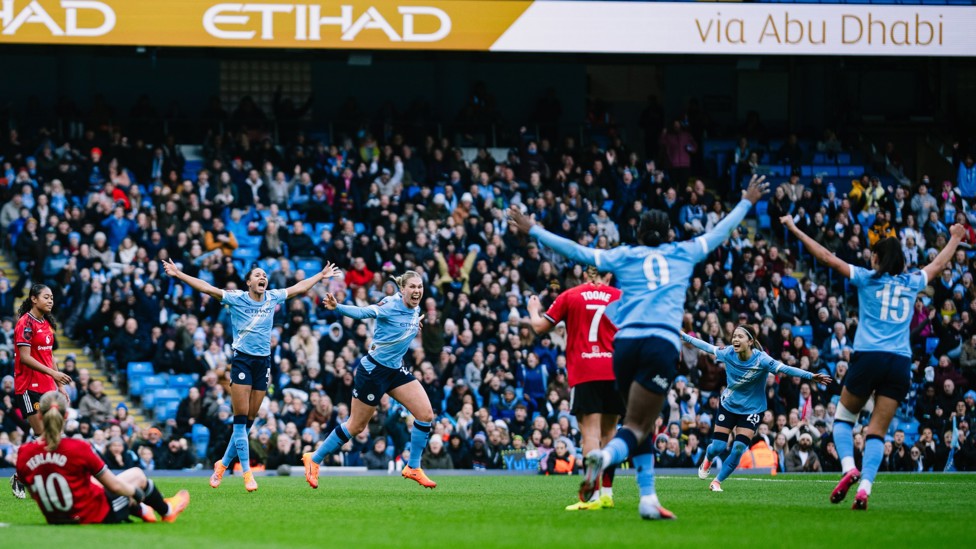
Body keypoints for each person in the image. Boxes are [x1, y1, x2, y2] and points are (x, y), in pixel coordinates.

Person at [508, 174, 769, 520]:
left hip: (625, 346)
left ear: (638, 232)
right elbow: (720, 232)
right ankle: (603, 459)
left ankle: (647, 498)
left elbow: (575, 250)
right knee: (638, 425)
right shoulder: (683, 251)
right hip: (659, 343)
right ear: (669, 234)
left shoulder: (623, 255)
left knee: (638, 422)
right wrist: (747, 201)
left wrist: (534, 229)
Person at [781, 214, 965, 510]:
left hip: (868, 356)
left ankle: (848, 469)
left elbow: (827, 257)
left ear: (877, 258)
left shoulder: (867, 278)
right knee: (877, 431)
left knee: (843, 420)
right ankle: (864, 488)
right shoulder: (912, 281)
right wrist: (955, 237)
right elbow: (939, 265)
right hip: (900, 362)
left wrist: (793, 228)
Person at [162, 258, 341, 492]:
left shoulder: (273, 297)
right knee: (239, 422)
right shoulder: (236, 298)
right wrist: (179, 274)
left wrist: (320, 275)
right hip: (242, 362)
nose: (262, 277)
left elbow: (299, 287)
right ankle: (246, 473)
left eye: (264, 275)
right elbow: (206, 288)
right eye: (257, 275)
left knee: (246, 425)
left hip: (263, 363)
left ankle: (222, 465)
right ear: (248, 282)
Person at [302, 271, 437, 490]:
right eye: (412, 287)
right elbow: (364, 312)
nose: (417, 291)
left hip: (395, 370)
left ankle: (413, 467)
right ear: (402, 290)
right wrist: (338, 307)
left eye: (420, 287)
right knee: (356, 426)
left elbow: (404, 326)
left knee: (425, 415)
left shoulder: (415, 309)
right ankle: (314, 458)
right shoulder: (390, 306)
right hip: (373, 371)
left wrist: (414, 326)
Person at [681, 327, 831, 491]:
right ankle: (708, 459)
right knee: (718, 447)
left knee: (738, 448)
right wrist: (684, 337)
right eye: (734, 336)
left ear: (750, 341)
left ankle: (717, 481)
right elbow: (706, 347)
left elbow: (785, 369)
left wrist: (810, 376)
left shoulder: (762, 360)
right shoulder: (728, 352)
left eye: (740, 336)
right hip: (729, 406)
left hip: (751, 410)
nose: (735, 339)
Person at [526, 265, 625, 511]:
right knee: (610, 434)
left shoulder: (570, 295)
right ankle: (608, 494)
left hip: (586, 371)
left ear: (584, 275)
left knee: (590, 435)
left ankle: (591, 498)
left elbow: (539, 327)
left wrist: (532, 309)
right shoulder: (620, 297)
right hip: (615, 370)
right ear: (609, 275)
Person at [16, 390, 190, 524]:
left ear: (39, 415)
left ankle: (144, 511)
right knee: (137, 476)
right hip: (91, 515)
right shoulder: (78, 447)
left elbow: (34, 492)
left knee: (95, 482)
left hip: (55, 517)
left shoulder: (24, 452)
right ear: (66, 416)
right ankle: (166, 511)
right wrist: (137, 494)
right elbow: (114, 486)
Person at [9, 284, 72, 499]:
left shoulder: (46, 323)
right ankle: (23, 475)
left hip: (48, 387)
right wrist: (54, 376)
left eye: (52, 297)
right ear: (34, 299)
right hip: (28, 388)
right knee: (43, 435)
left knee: (53, 435)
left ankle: (37, 476)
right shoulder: (25, 324)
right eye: (46, 297)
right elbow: (25, 357)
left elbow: (49, 356)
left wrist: (60, 385)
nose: (50, 300)